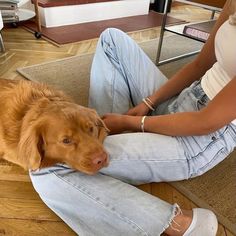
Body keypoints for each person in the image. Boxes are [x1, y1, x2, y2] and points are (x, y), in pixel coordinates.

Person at [30, 0, 236, 235]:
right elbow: (200, 65)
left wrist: (130, 122)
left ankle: (178, 224)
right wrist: (148, 103)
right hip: (188, 96)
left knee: (46, 168)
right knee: (112, 40)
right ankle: (104, 140)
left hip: (202, 138)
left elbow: (205, 122)